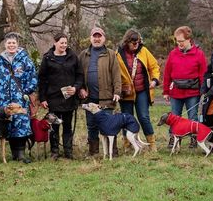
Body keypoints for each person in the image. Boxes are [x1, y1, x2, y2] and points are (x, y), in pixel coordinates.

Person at [0, 32, 38, 163]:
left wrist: (27, 91)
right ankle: (11, 153)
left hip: (20, 99)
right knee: (7, 125)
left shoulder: (25, 60)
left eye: (13, 43)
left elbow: (33, 78)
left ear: (17, 44)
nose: (11, 45)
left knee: (20, 124)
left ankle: (20, 154)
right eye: (9, 43)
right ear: (5, 44)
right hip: (3, 100)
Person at [37, 33, 82, 159]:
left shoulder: (73, 57)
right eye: (61, 42)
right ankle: (54, 151)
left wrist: (76, 87)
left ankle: (68, 151)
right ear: (55, 43)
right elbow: (42, 79)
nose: (63, 45)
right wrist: (42, 98)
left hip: (69, 97)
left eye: (65, 43)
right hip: (53, 98)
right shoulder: (47, 58)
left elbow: (79, 75)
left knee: (67, 125)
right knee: (54, 126)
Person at [78, 27, 122, 157]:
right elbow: (78, 75)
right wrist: (80, 88)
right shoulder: (83, 55)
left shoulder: (111, 54)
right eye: (94, 36)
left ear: (104, 38)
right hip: (90, 99)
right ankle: (94, 152)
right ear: (90, 38)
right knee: (91, 126)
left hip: (107, 97)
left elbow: (116, 74)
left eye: (99, 36)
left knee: (109, 125)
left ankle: (112, 152)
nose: (97, 39)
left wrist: (117, 92)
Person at [162, 26, 207, 150]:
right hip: (176, 92)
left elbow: (203, 74)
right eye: (177, 41)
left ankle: (194, 139)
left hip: (192, 92)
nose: (179, 43)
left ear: (189, 39)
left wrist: (204, 91)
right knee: (174, 117)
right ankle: (174, 139)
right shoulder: (173, 54)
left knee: (192, 117)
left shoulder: (199, 54)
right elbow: (167, 74)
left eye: (181, 41)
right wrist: (166, 91)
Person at [116, 29, 161, 146]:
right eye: (133, 43)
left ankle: (151, 143)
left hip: (142, 90)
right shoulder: (118, 54)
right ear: (127, 41)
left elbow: (154, 66)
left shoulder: (144, 51)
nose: (136, 45)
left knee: (144, 117)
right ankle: (127, 144)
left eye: (138, 42)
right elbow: (114, 72)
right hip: (126, 92)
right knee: (126, 118)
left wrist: (155, 80)